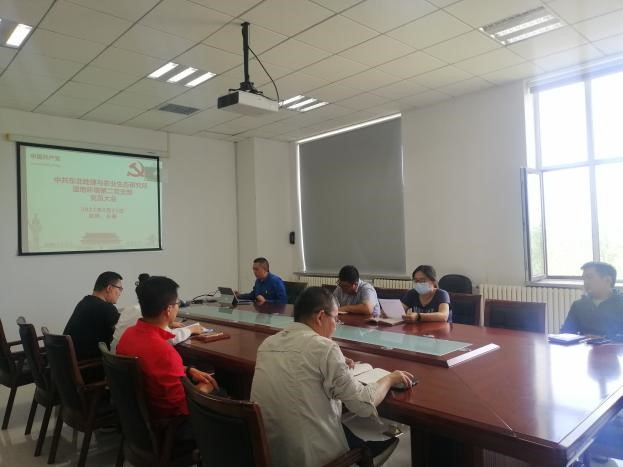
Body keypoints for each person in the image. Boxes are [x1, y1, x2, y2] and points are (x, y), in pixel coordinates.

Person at [251, 286, 413, 467]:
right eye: (336, 318)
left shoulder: (267, 344)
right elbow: (363, 404)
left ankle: (364, 447)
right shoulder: (325, 348)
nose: (336, 325)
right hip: (310, 457)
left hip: (269, 453)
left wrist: (337, 362)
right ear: (320, 316)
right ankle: (364, 455)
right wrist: (390, 378)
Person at [117, 276, 218, 438]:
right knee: (221, 392)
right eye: (178, 303)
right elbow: (182, 407)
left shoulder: (128, 335)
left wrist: (188, 370)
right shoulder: (164, 351)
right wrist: (204, 389)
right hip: (169, 427)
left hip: (137, 421)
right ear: (169, 309)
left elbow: (153, 369)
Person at [111, 273, 202, 351]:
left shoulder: (130, 311)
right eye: (177, 302)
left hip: (117, 360)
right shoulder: (166, 354)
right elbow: (170, 338)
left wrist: (167, 323)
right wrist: (191, 329)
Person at [64, 271, 123, 361]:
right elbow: (123, 333)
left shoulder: (84, 302)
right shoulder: (106, 308)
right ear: (109, 288)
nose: (120, 293)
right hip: (89, 365)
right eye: (120, 289)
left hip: (69, 363)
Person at [560, 262, 623, 337]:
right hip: (585, 344)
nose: (585, 282)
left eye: (589, 277)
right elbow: (566, 334)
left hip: (614, 344)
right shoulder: (578, 305)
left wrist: (604, 339)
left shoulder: (620, 304)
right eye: (584, 279)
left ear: (608, 280)